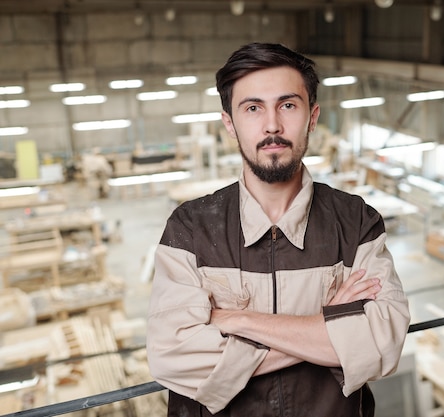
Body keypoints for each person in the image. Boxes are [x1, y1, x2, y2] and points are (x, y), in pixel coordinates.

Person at [147, 42, 410, 417]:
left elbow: (381, 345)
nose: (272, 124)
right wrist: (325, 324)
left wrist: (235, 320)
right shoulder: (189, 229)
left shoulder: (356, 224)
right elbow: (172, 357)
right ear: (229, 124)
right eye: (253, 108)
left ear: (312, 117)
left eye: (288, 105)